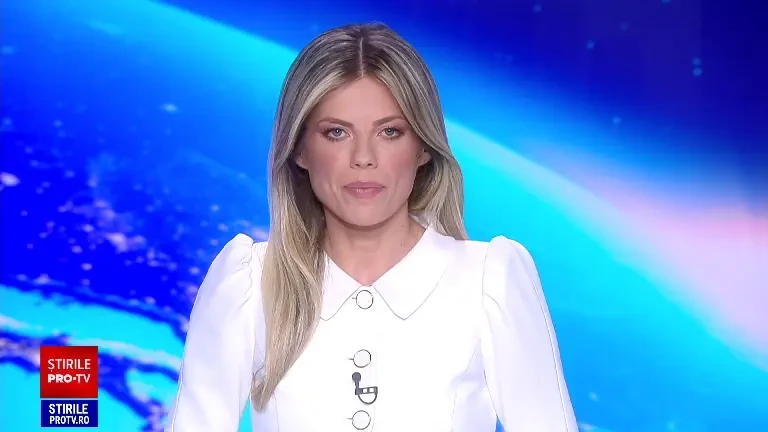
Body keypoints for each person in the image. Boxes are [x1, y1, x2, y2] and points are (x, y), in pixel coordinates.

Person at [165, 22, 578, 432]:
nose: (364, 157)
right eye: (337, 132)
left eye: (389, 132)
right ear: (300, 150)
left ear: (422, 148)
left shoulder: (490, 281)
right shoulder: (249, 282)